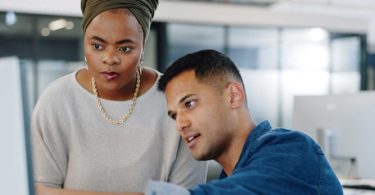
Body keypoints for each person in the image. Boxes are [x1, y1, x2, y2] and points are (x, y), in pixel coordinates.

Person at [31, 1, 207, 195]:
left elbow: (188, 193)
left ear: (142, 47)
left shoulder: (176, 101)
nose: (110, 59)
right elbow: (39, 190)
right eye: (97, 46)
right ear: (85, 43)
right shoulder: (56, 101)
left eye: (124, 49)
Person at [142, 49, 344, 194]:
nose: (180, 124)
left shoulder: (292, 149)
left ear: (233, 96)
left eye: (190, 104)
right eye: (174, 115)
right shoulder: (230, 178)